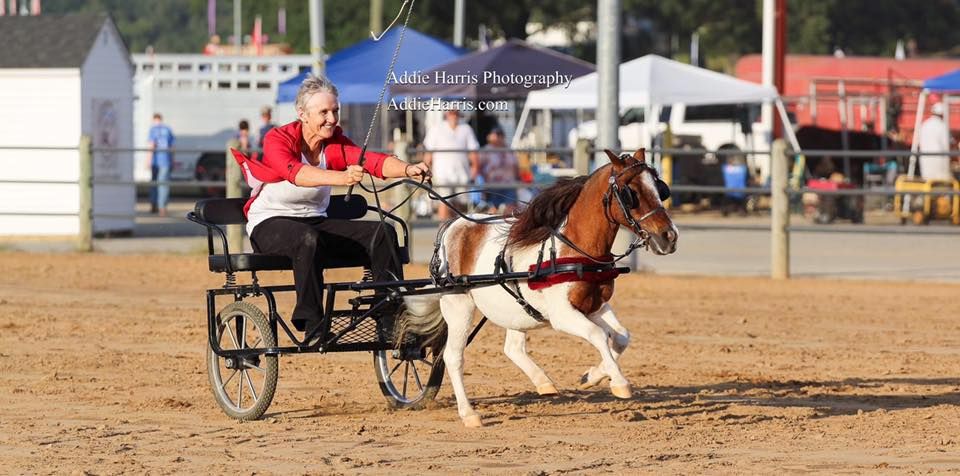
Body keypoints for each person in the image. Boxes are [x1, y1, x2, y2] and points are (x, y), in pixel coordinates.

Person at [237, 74, 430, 333]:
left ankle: (389, 314)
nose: (332, 119)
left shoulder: (333, 144)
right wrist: (341, 176)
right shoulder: (278, 139)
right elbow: (296, 174)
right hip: (270, 223)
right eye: (324, 112)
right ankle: (311, 319)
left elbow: (372, 161)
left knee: (383, 232)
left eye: (335, 111)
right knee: (307, 238)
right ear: (302, 114)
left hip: (315, 223)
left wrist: (409, 169)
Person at [422, 109, 479, 220]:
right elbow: (429, 153)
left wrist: (475, 169)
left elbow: (473, 152)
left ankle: (457, 232)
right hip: (442, 174)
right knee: (444, 202)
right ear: (446, 114)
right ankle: (442, 232)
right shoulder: (436, 129)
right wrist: (425, 169)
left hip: (462, 174)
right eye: (451, 112)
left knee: (460, 206)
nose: (453, 115)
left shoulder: (466, 129)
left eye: (456, 113)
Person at [480, 127, 519, 214]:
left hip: (509, 184)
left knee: (511, 208)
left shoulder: (509, 149)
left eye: (499, 135)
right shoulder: (486, 150)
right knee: (493, 209)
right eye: (495, 135)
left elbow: (516, 166)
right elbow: (479, 167)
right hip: (493, 185)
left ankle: (508, 226)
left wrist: (518, 180)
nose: (497, 137)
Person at [147, 113, 175, 216]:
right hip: (166, 160)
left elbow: (151, 146)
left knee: (154, 183)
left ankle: (154, 204)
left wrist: (148, 161)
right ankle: (162, 207)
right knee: (163, 184)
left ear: (154, 119)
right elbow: (172, 147)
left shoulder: (153, 130)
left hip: (156, 160)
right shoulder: (168, 129)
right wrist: (172, 160)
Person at [918, 102, 952, 181]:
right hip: (939, 158)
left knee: (928, 182)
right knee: (940, 183)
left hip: (925, 157)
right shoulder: (942, 126)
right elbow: (945, 145)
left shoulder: (924, 124)